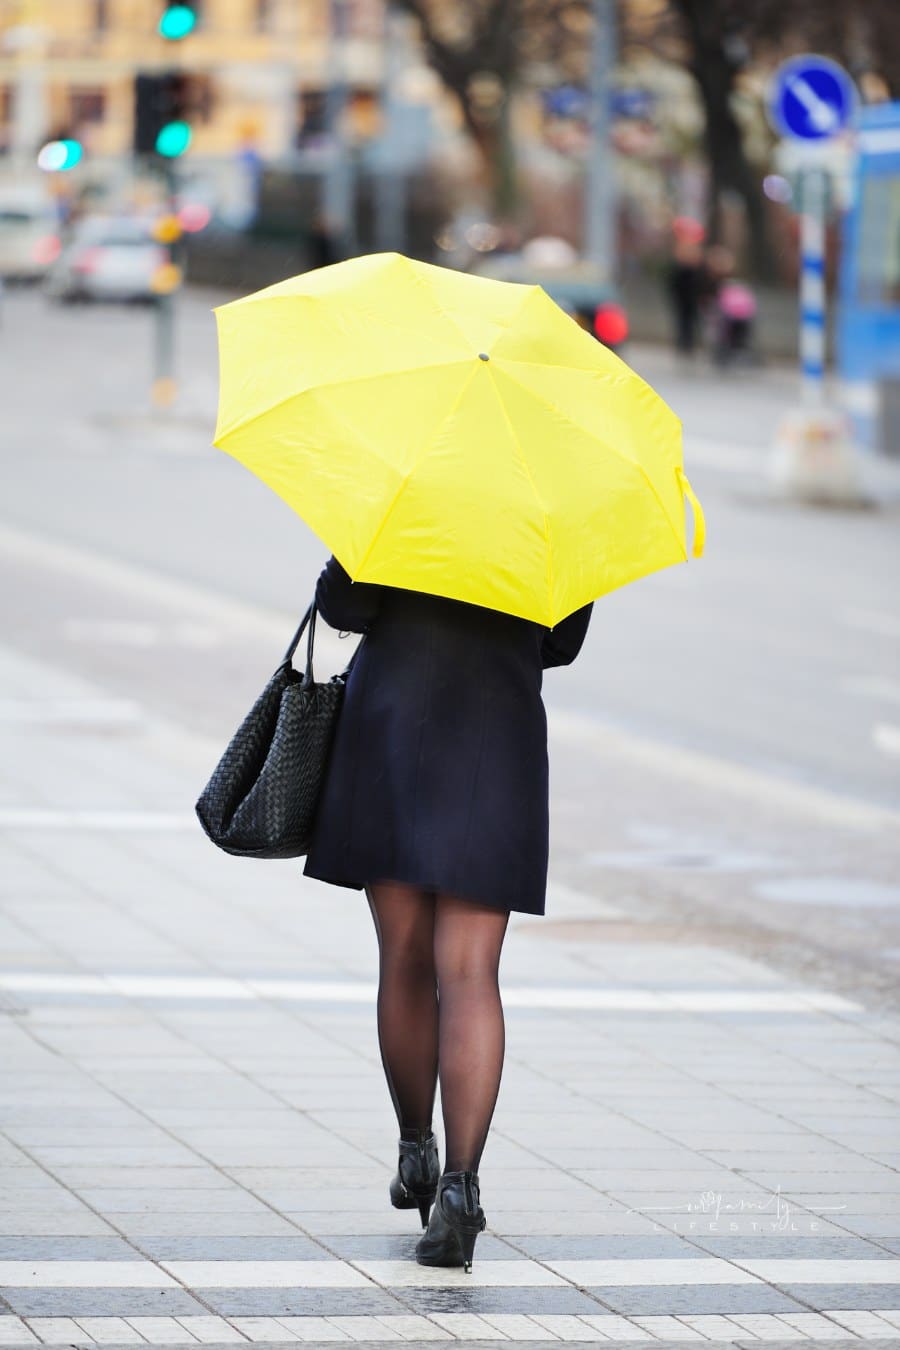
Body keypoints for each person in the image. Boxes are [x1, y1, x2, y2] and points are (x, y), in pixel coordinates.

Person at [302, 555, 593, 1272]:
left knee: (403, 957)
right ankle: (462, 1191)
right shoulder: (548, 508)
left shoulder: (405, 483)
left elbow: (343, 608)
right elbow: (562, 642)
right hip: (498, 732)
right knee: (469, 972)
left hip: (393, 723)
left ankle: (415, 1152)